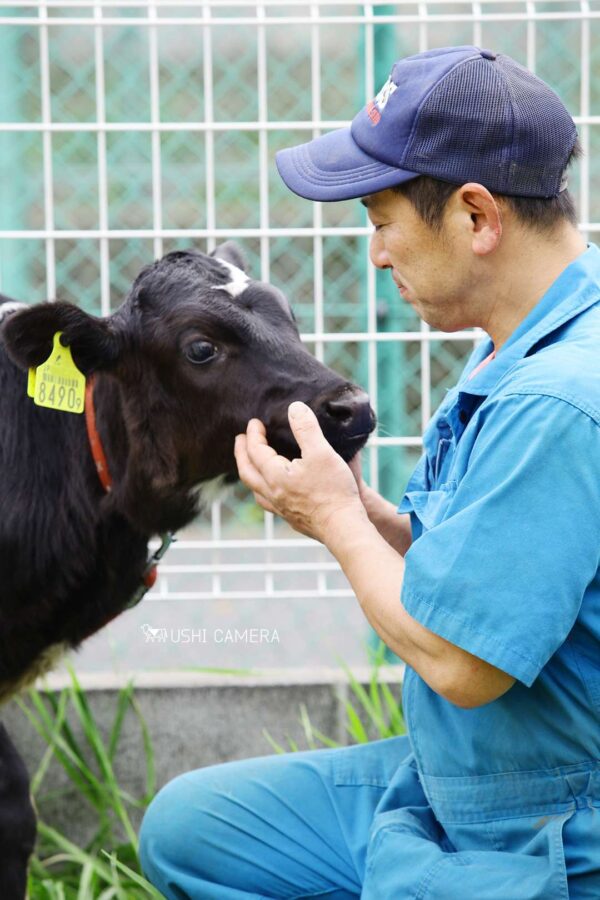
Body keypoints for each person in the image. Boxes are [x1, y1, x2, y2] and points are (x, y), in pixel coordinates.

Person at [139, 45, 600, 898]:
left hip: (547, 823)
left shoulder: (560, 403)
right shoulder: (528, 342)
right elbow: (487, 561)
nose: (379, 255)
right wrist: (370, 512)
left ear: (476, 216)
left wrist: (340, 527)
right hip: (461, 780)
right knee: (189, 830)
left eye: (383, 222)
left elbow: (466, 666)